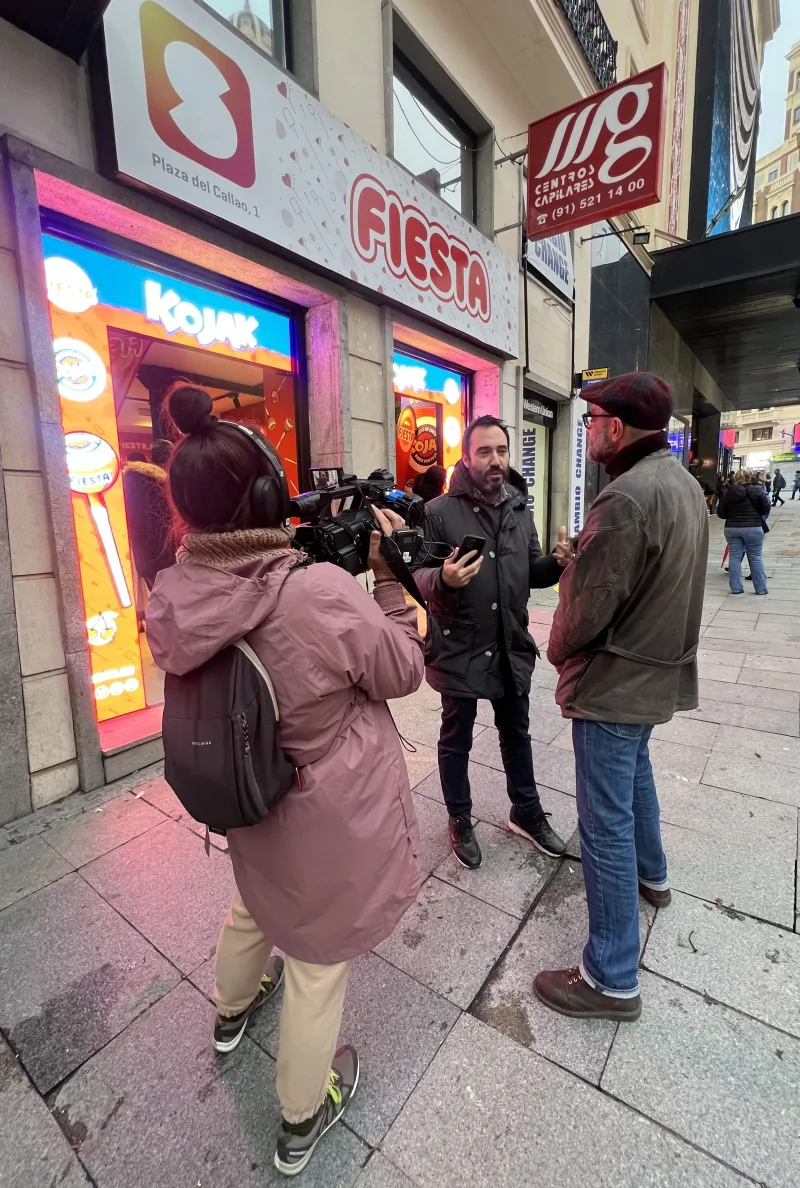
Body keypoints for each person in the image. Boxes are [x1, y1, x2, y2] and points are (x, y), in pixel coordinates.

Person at [146, 386, 424, 1176]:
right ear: (271, 494)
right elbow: (402, 669)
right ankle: (303, 1116)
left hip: (245, 794)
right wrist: (390, 585)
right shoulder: (316, 592)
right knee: (315, 961)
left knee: (256, 904)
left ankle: (230, 1012)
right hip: (325, 809)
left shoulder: (177, 591)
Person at [534, 373, 708, 1022]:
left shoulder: (627, 496)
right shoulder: (681, 483)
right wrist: (584, 555)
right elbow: (646, 572)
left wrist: (558, 640)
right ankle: (653, 877)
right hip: (654, 675)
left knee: (603, 825)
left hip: (615, 681)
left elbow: (584, 614)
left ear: (618, 426)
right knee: (635, 779)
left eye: (592, 419)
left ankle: (610, 978)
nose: (586, 429)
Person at [413, 414, 573, 870]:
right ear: (466, 457)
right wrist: (441, 578)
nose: (495, 460)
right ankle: (459, 818)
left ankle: (525, 811)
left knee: (516, 733)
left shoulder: (520, 507)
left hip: (509, 643)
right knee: (455, 737)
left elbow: (531, 569)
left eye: (501, 450)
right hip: (459, 644)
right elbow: (417, 577)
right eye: (484, 451)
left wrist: (557, 564)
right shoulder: (438, 512)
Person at [122, 439, 176, 590]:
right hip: (162, 552)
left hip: (140, 551)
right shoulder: (160, 483)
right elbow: (163, 522)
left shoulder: (131, 479)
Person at [717, 469, 770, 596]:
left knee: (734, 557)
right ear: (749, 478)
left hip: (731, 528)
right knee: (755, 557)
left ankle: (736, 588)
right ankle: (761, 589)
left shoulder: (728, 492)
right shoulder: (757, 490)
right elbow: (765, 509)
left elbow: (721, 513)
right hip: (753, 527)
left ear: (735, 478)